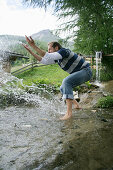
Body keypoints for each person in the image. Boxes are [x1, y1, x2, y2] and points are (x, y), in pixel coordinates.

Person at [22, 36, 92, 120]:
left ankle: (69, 114)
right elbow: (44, 61)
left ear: (56, 48)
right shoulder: (58, 58)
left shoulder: (63, 51)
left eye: (50, 49)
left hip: (86, 71)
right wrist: (30, 51)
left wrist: (33, 46)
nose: (48, 51)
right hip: (81, 73)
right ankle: (76, 105)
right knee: (63, 87)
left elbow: (47, 56)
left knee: (66, 82)